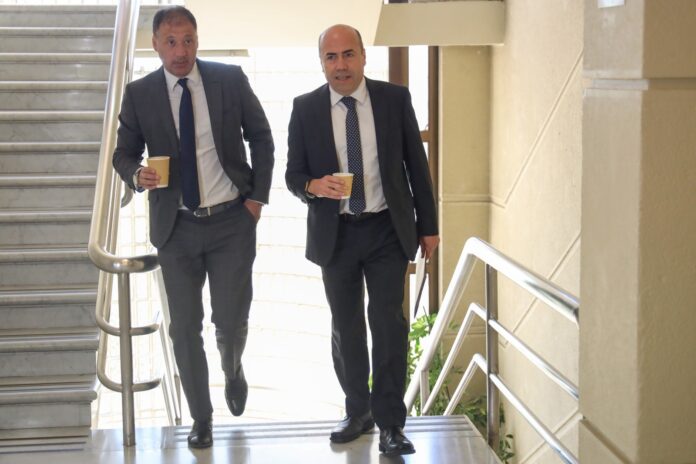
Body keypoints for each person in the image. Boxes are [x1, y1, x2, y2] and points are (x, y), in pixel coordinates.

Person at [112, 6, 274, 449]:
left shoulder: (228, 79)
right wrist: (136, 174)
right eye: (171, 42)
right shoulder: (140, 93)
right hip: (176, 227)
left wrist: (256, 199)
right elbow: (123, 154)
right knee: (183, 327)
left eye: (188, 41)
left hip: (231, 222)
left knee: (231, 320)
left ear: (197, 40)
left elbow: (261, 136)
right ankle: (202, 417)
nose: (180, 51)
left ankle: (232, 368)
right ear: (155, 45)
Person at [285, 24, 439, 457]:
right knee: (346, 325)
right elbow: (293, 174)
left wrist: (428, 226)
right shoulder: (305, 108)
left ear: (363, 56)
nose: (341, 65)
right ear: (322, 63)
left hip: (386, 228)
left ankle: (391, 423)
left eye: (348, 54)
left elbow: (416, 166)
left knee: (388, 323)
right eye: (331, 57)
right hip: (337, 233)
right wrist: (314, 186)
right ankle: (358, 411)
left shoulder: (394, 99)